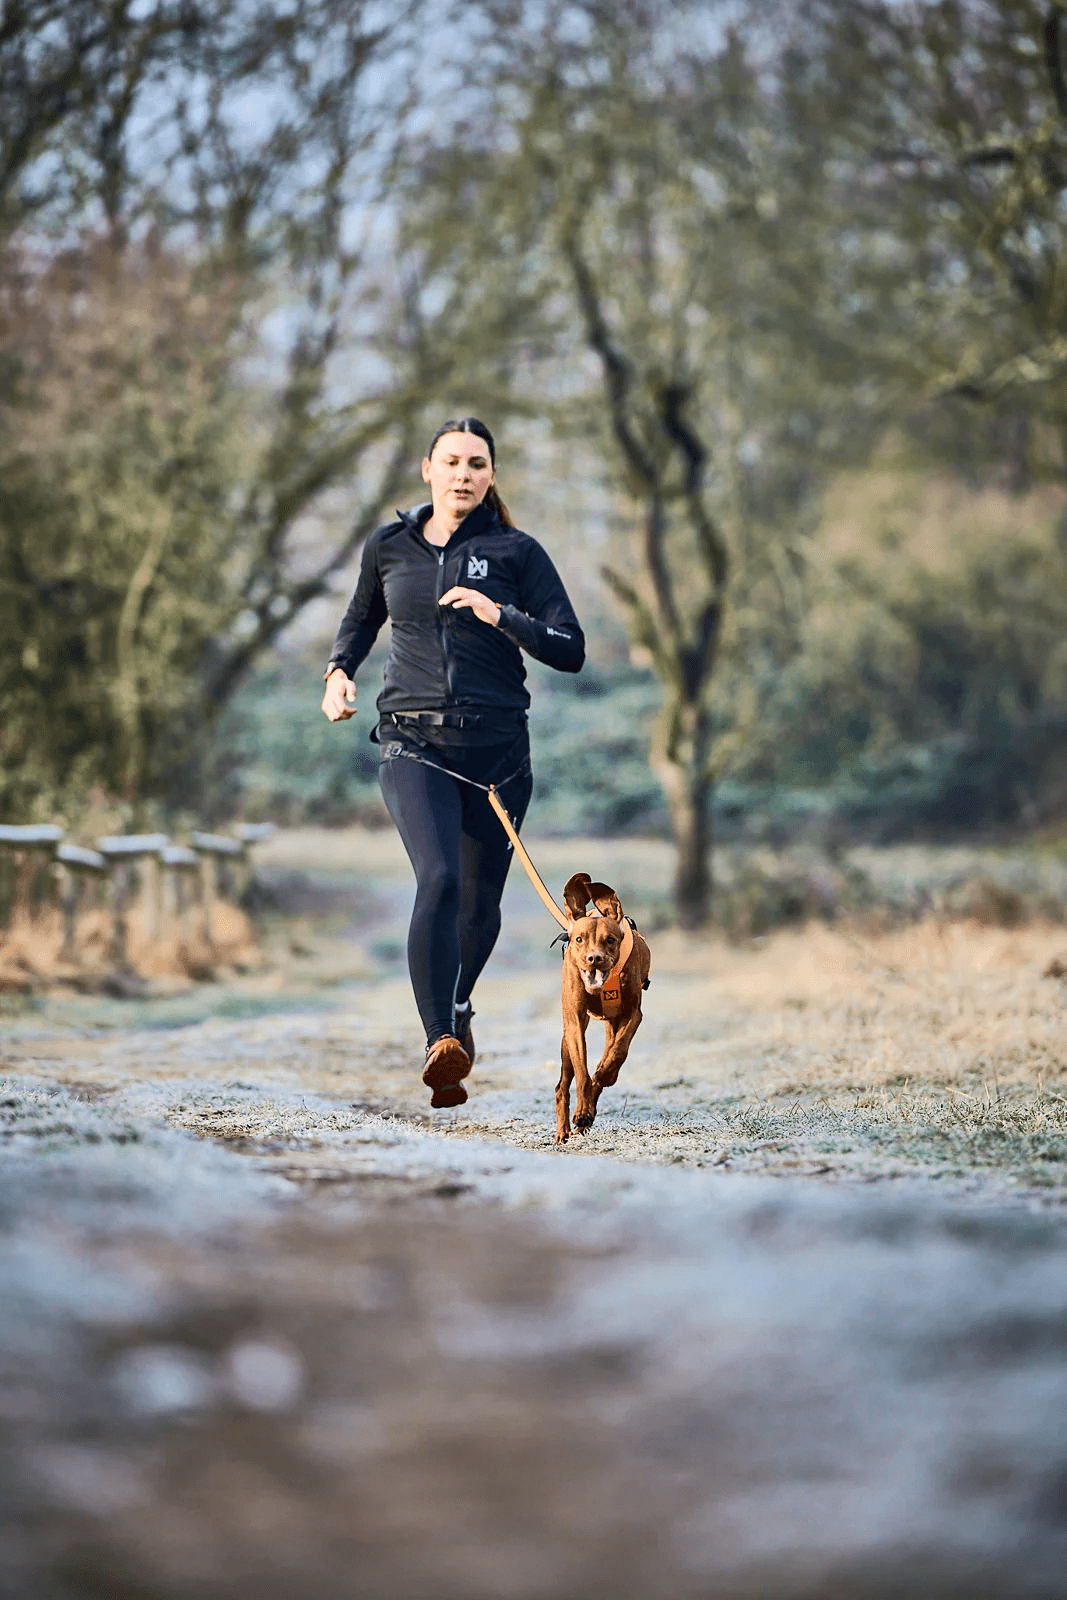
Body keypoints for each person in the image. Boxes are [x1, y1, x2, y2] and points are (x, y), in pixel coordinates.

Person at [321, 417, 585, 1107]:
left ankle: (460, 1005)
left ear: (491, 475)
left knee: (479, 904)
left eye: (476, 463)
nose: (462, 473)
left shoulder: (516, 551)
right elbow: (359, 620)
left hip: (497, 750)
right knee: (436, 877)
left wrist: (502, 616)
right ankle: (439, 1039)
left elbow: (569, 647)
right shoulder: (389, 547)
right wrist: (337, 673)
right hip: (413, 741)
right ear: (426, 469)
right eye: (451, 462)